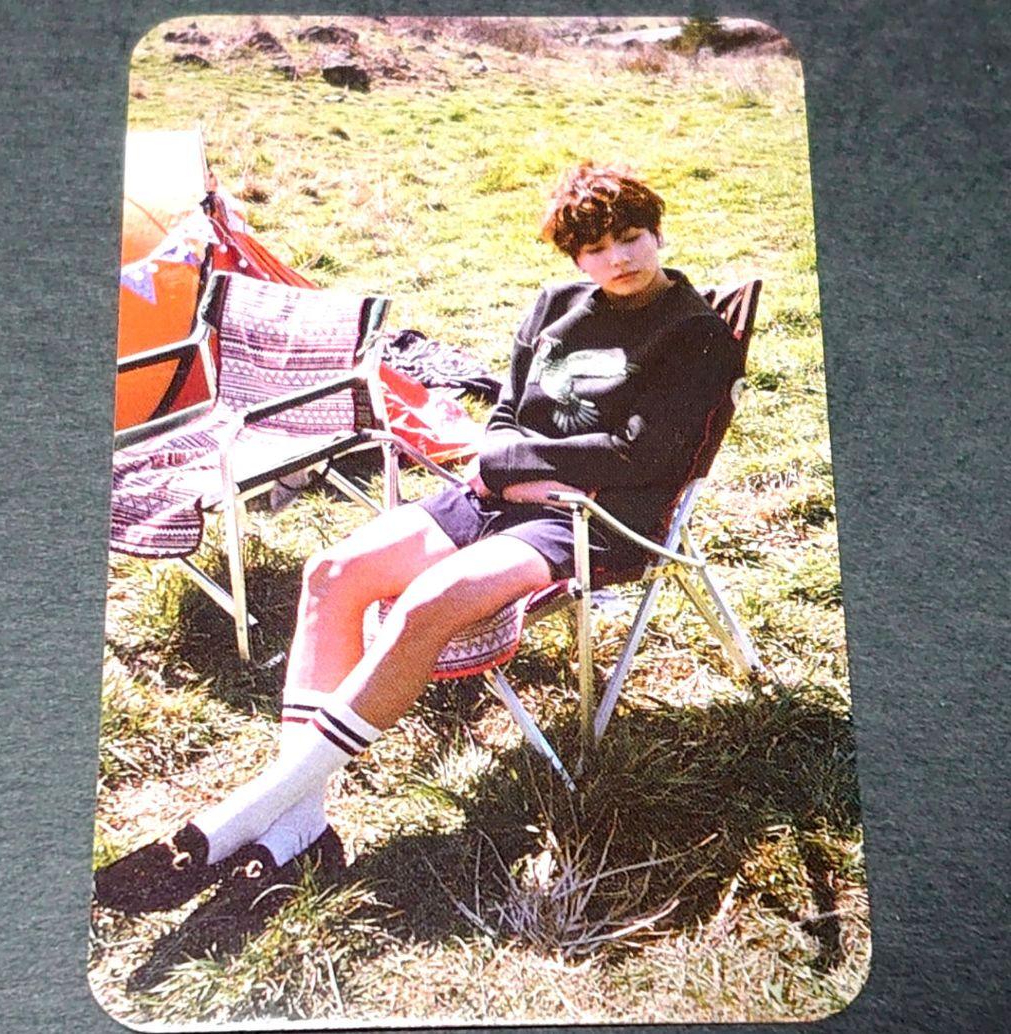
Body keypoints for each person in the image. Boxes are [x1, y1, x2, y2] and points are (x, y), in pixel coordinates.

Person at [94, 162, 744, 949]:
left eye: (631, 237)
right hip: (500, 492)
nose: (618, 258)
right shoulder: (556, 306)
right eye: (596, 248)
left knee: (427, 602)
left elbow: (645, 457)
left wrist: (514, 467)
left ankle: (244, 815)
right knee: (331, 574)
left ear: (658, 229)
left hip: (591, 517)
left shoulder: (694, 333)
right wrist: (509, 466)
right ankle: (302, 828)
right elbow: (504, 415)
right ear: (575, 257)